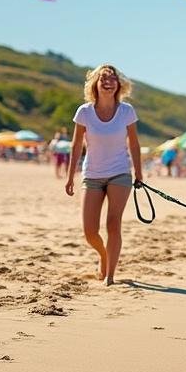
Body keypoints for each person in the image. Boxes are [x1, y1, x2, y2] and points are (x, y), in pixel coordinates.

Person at [65, 63, 142, 286]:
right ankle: (103, 255)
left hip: (120, 173)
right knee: (89, 231)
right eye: (103, 78)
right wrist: (70, 176)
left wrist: (138, 172)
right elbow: (76, 145)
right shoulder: (85, 112)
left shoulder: (126, 111)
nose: (108, 82)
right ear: (95, 84)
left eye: (112, 78)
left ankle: (110, 275)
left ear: (119, 85)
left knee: (113, 224)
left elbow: (134, 145)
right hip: (92, 175)